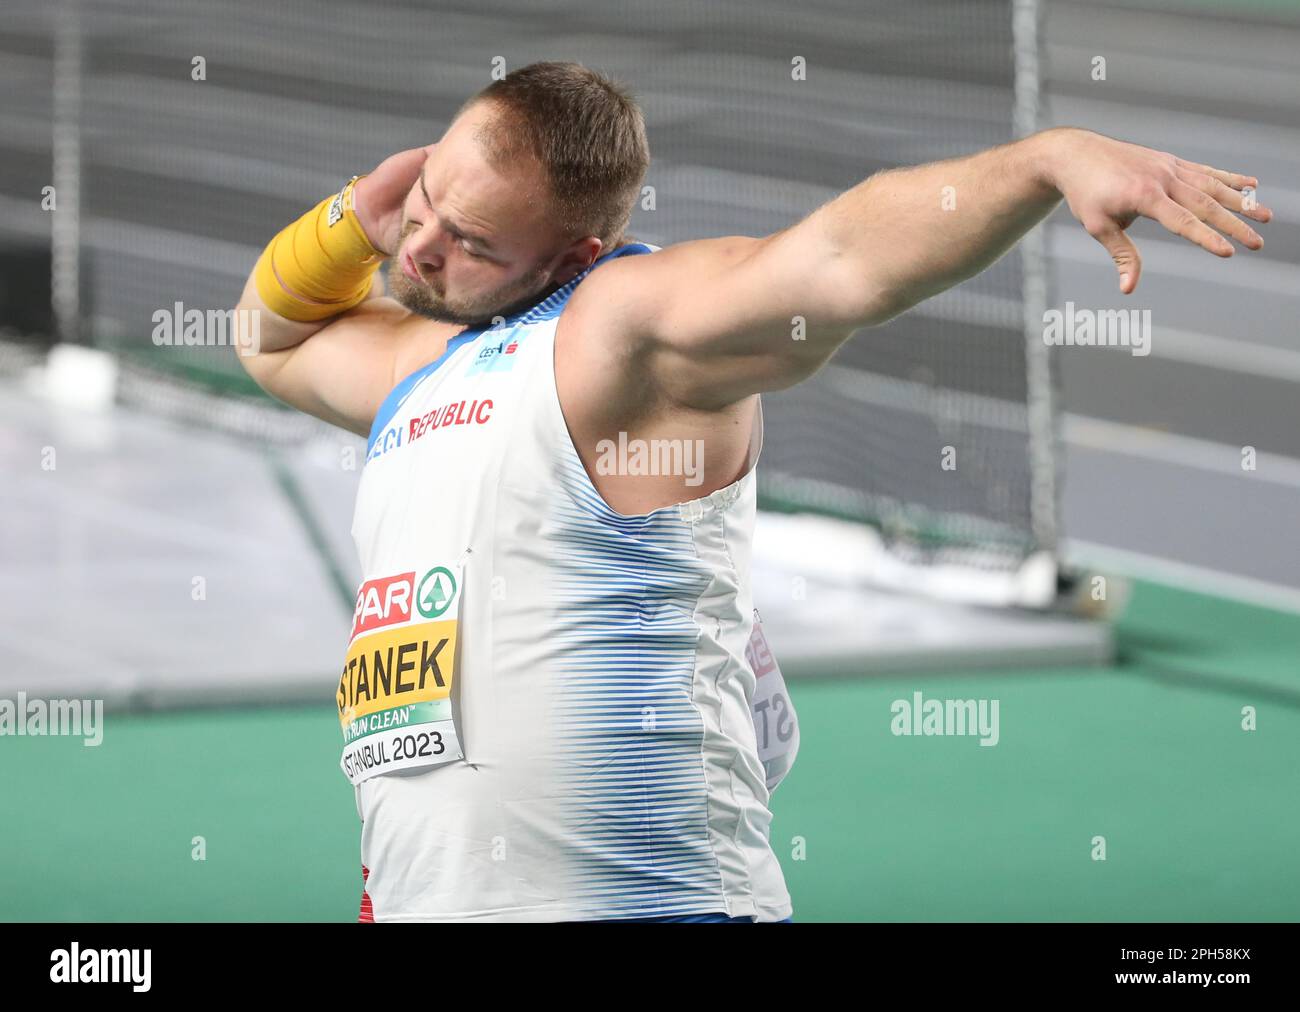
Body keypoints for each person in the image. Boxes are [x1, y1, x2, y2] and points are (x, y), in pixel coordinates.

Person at [233, 61, 1268, 923]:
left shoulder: (618, 331)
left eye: (473, 242)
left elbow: (835, 262)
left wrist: (1044, 162)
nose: (418, 248)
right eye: (424, 204)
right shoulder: (424, 364)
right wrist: (344, 220)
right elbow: (266, 341)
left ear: (574, 255)